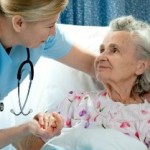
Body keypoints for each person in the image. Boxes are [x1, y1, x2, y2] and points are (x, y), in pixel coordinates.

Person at [0, 0, 96, 149]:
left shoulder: (43, 36)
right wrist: (25, 129)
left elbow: (91, 64)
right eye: (50, 25)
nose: (53, 32)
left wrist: (140, 81)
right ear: (19, 23)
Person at [58, 16, 150, 149]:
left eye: (114, 50)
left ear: (140, 66)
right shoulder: (74, 102)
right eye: (102, 50)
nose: (101, 57)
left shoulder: (146, 118)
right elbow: (36, 143)